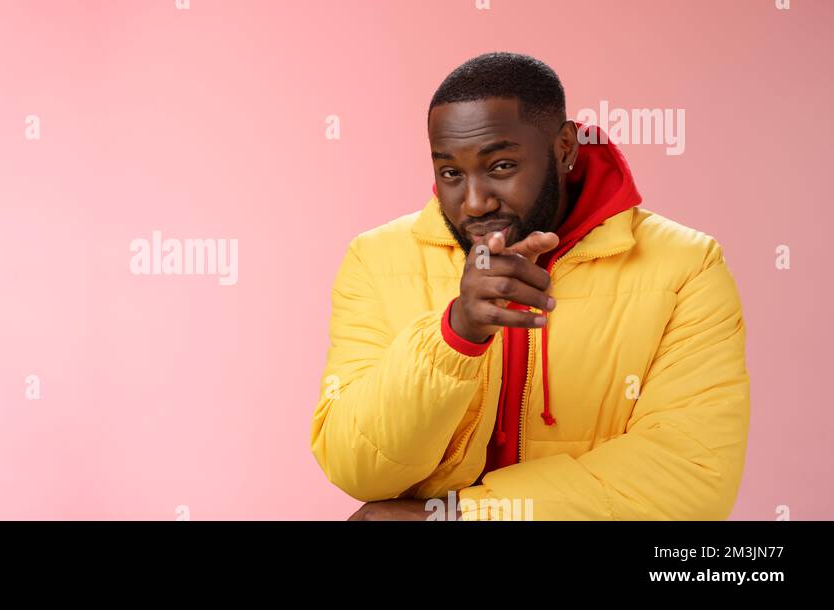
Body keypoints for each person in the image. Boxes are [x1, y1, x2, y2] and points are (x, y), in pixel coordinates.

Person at [311, 52, 750, 520]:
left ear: (564, 148)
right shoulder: (376, 258)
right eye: (451, 173)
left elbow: (689, 476)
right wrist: (455, 333)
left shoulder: (686, 264)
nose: (474, 204)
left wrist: (456, 517)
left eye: (500, 166)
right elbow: (357, 467)